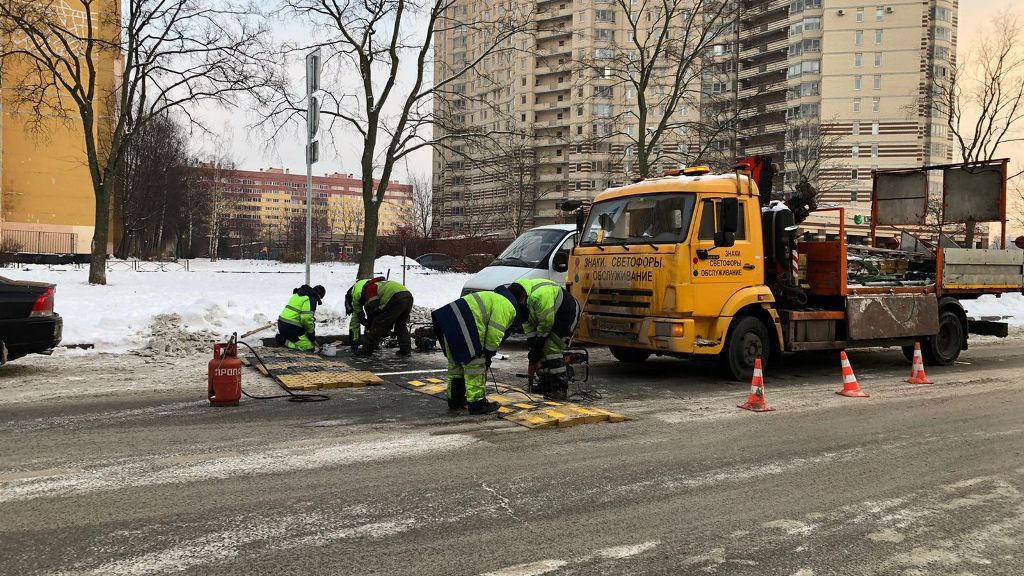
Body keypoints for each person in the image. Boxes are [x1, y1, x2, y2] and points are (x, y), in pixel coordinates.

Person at [431, 287, 526, 415]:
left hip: (449, 320)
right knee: (476, 364)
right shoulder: (508, 307)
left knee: (456, 364)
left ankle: (455, 399)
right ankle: (477, 404)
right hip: (466, 324)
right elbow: (494, 334)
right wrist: (487, 355)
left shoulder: (495, 298)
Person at [508, 279, 581, 401]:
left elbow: (546, 324)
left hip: (566, 313)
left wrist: (538, 347)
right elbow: (529, 326)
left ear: (522, 299)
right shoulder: (522, 300)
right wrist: (533, 351)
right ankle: (547, 385)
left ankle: (559, 389)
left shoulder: (540, 295)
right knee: (538, 351)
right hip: (549, 317)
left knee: (551, 348)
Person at [345, 278, 414, 356]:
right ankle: (405, 350)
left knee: (378, 323)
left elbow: (375, 308)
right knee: (401, 325)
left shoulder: (370, 289)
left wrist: (374, 324)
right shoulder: (379, 284)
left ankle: (367, 350)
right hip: (408, 296)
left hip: (395, 298)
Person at [275, 284, 326, 352]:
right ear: (319, 295)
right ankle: (283, 341)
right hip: (291, 327)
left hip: (282, 324)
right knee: (309, 348)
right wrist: (311, 333)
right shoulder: (311, 298)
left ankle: (285, 338)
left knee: (307, 340)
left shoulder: (299, 294)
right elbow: (306, 319)